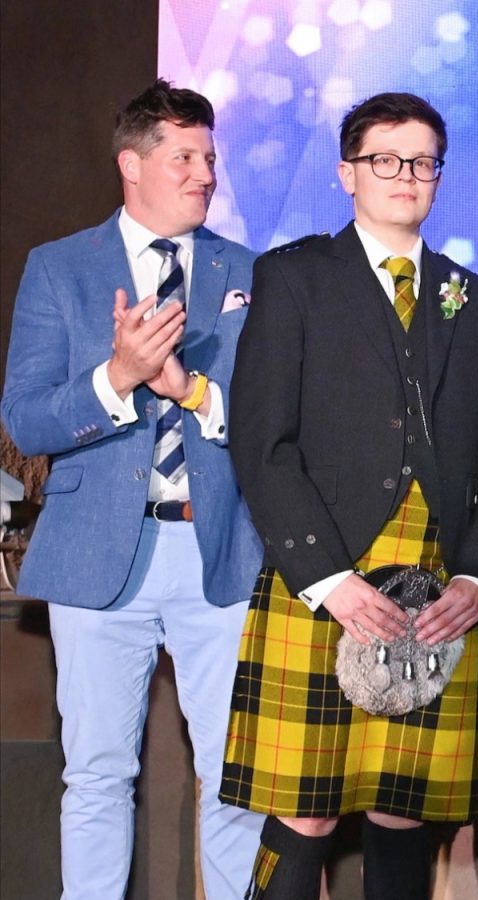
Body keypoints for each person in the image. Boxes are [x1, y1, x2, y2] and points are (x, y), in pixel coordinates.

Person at [219, 92, 478, 899]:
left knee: (405, 806)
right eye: (385, 159)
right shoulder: (293, 277)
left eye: (422, 162)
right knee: (306, 812)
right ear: (345, 174)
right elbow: (262, 445)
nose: (405, 175)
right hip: (321, 578)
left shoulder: (474, 296)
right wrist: (329, 583)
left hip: (437, 586)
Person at [1, 79, 264, 899]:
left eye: (210, 157)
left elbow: (270, 421)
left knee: (236, 780)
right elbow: (27, 419)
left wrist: (188, 389)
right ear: (131, 163)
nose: (205, 173)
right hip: (94, 556)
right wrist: (118, 378)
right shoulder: (60, 268)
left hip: (220, 552)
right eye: (184, 156)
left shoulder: (251, 273)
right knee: (97, 776)